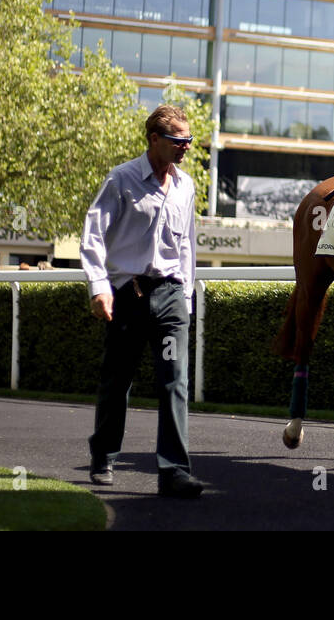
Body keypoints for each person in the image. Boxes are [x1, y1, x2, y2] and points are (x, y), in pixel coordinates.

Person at [80, 104, 204, 499]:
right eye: (178, 140)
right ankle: (104, 454)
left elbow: (186, 245)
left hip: (170, 296)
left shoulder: (186, 185)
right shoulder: (122, 179)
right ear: (154, 139)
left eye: (189, 140)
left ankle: (173, 471)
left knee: (174, 381)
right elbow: (93, 235)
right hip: (128, 295)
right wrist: (99, 287)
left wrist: (185, 296)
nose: (185, 147)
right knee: (118, 379)